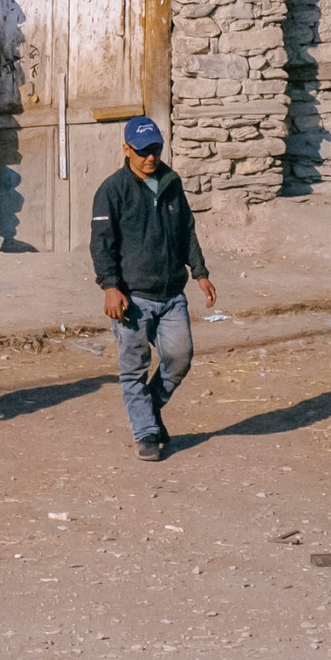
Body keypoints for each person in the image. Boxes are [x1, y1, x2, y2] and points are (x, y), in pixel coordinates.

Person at [90, 115, 217, 462]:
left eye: (156, 150)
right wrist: (110, 287)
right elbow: (101, 244)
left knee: (179, 357)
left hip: (171, 294)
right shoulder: (112, 190)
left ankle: (148, 407)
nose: (151, 158)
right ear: (127, 149)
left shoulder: (171, 182)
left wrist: (200, 271)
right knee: (134, 367)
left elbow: (186, 230)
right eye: (144, 151)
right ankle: (145, 432)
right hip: (132, 298)